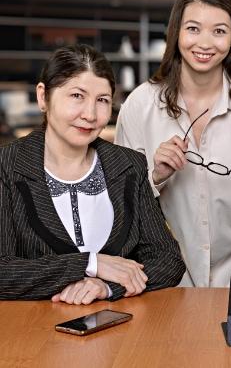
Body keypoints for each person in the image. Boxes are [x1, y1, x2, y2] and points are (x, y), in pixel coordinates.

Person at [115, 0, 231, 287]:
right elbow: (118, 208)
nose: (205, 43)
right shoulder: (140, 105)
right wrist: (154, 177)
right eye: (193, 28)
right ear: (176, 33)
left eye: (219, 31)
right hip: (165, 280)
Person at [0, 45, 185, 304]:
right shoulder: (7, 166)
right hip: (32, 334)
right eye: (77, 95)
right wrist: (90, 263)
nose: (90, 115)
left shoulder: (129, 164)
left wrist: (107, 288)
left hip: (121, 331)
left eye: (102, 100)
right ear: (43, 97)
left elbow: (168, 261)